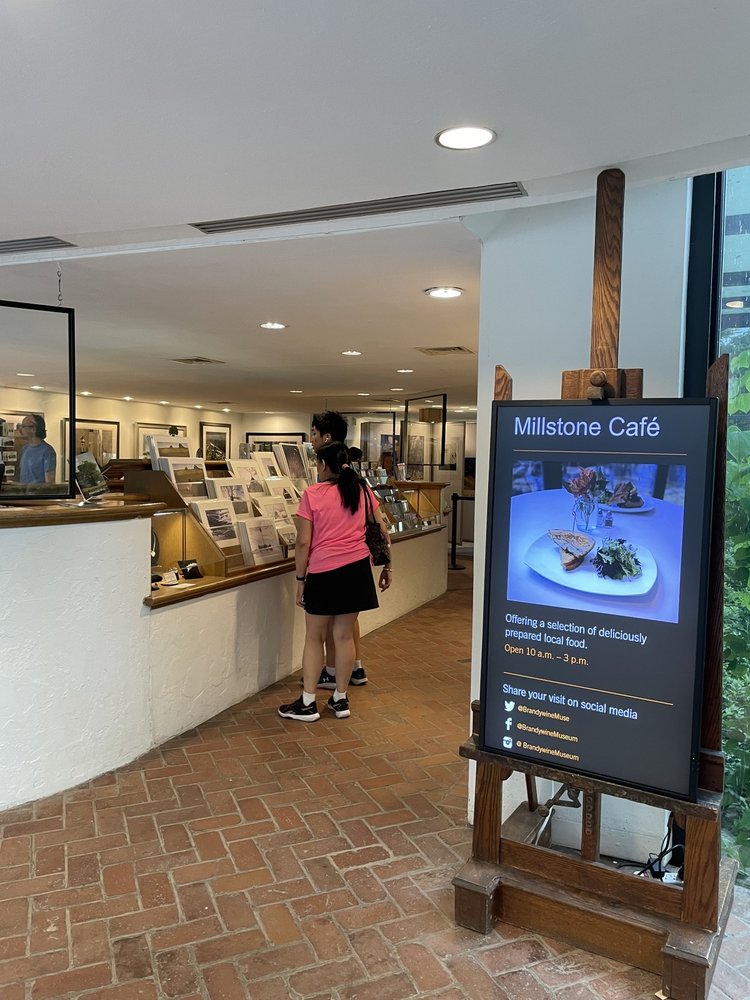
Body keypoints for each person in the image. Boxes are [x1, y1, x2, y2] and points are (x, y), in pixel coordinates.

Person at [279, 442, 392, 722]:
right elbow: (381, 529)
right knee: (344, 636)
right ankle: (340, 699)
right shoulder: (361, 490)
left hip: (324, 572)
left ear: (322, 465)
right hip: (357, 570)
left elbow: (303, 542)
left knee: (314, 637)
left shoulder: (312, 494)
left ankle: (308, 703)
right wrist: (388, 565)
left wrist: (300, 580)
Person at [309, 412, 369, 687]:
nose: (311, 439)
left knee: (331, 628)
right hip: (356, 565)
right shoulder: (354, 482)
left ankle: (333, 673)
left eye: (314, 433)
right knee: (346, 623)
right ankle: (352, 670)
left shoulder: (321, 487)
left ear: (327, 437)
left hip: (328, 565)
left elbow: (305, 538)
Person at [18, 414, 56, 484]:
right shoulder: (25, 449)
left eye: (23, 426)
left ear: (33, 429)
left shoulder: (47, 451)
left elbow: (49, 484)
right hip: (23, 491)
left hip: (37, 491)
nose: (20, 429)